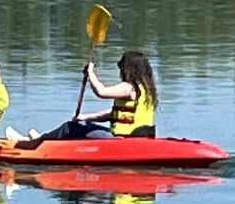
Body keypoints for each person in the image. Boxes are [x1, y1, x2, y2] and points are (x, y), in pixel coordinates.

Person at [27, 49, 158, 143]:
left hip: (121, 139)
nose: (120, 71)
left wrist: (91, 73)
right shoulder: (147, 90)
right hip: (139, 138)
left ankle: (39, 142)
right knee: (83, 125)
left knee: (70, 128)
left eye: (122, 67)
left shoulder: (129, 87)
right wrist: (85, 117)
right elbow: (113, 114)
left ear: (129, 69)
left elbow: (101, 92)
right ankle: (44, 140)